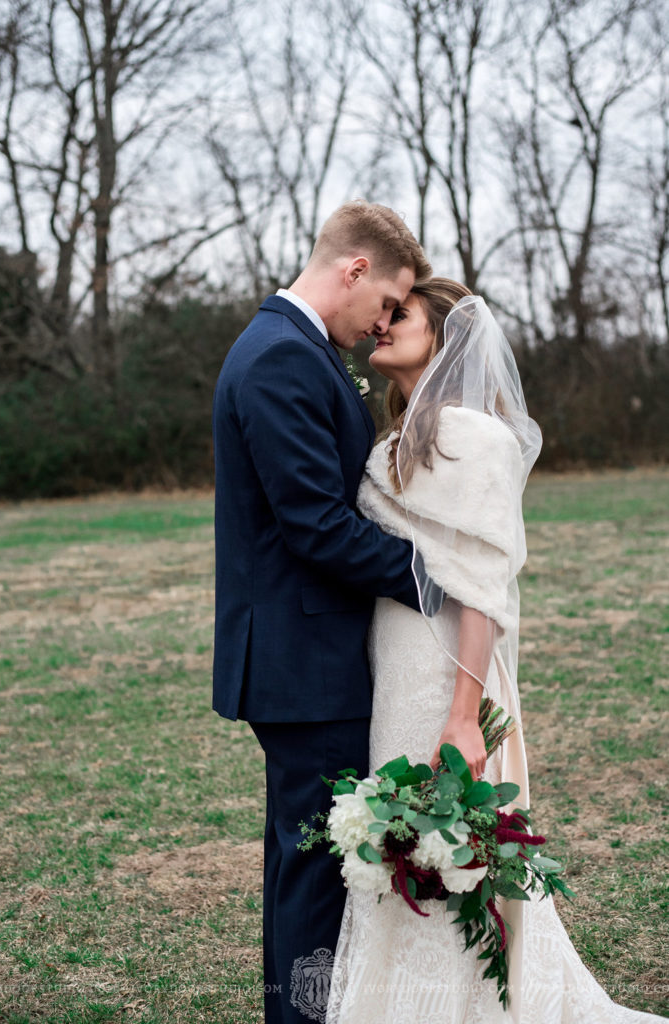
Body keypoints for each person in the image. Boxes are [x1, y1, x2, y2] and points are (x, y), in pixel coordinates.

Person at [326, 279, 667, 1024]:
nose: (380, 325)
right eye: (382, 314)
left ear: (445, 338)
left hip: (450, 665)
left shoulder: (476, 436)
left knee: (450, 841)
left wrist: (462, 714)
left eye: (400, 316)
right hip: (397, 662)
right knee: (404, 843)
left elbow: (480, 587)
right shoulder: (394, 438)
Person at [212, 200, 434, 1024]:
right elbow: (314, 525)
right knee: (318, 867)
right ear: (354, 270)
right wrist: (431, 577)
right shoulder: (280, 358)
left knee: (305, 859)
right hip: (305, 664)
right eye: (386, 302)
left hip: (302, 658)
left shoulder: (292, 348)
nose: (384, 323)